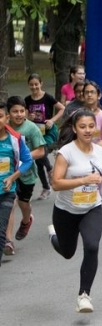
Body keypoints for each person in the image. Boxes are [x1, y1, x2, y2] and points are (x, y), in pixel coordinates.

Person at [46, 110, 102, 313]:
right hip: (65, 211)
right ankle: (54, 237)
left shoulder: (101, 152)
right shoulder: (66, 153)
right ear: (74, 129)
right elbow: (56, 184)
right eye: (82, 127)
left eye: (91, 126)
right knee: (67, 252)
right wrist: (84, 180)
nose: (87, 130)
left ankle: (84, 295)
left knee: (92, 246)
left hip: (91, 208)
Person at [3, 97, 45, 254]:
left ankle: (27, 220)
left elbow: (41, 151)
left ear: (26, 112)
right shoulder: (4, 128)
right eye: (15, 111)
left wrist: (21, 157)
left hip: (26, 173)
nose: (19, 114)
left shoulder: (31, 128)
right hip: (8, 174)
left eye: (22, 111)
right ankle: (8, 241)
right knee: (11, 204)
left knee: (23, 203)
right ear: (8, 114)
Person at [0, 104, 35, 260]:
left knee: (1, 230)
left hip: (6, 192)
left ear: (6, 118)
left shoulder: (15, 139)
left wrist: (12, 177)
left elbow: (27, 160)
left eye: (0, 116)